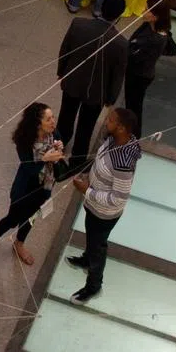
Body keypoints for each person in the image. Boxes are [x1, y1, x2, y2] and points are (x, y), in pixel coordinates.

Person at [65, 107, 142, 303]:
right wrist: (87, 177)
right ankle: (87, 258)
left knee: (98, 246)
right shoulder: (111, 140)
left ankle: (93, 285)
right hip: (94, 205)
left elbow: (118, 198)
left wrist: (87, 191)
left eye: (111, 119)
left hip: (104, 214)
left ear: (122, 128)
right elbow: (99, 162)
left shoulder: (124, 163)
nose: (106, 121)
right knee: (92, 238)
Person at [0, 103, 66, 266]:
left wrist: (60, 147)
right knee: (13, 217)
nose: (53, 122)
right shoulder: (24, 141)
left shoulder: (53, 132)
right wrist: (44, 159)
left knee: (31, 218)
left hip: (45, 186)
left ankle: (19, 243)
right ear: (37, 123)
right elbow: (29, 169)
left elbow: (60, 150)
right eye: (48, 119)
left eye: (53, 117)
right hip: (25, 187)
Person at [56, 0, 128, 155]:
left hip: (72, 81)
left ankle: (58, 149)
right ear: (119, 15)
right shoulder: (121, 44)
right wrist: (111, 97)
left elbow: (65, 50)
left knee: (65, 117)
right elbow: (118, 74)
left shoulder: (78, 25)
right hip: (97, 92)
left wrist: (62, 71)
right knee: (86, 127)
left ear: (101, 8)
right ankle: (77, 160)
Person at [125, 0, 176, 134]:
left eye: (147, 10)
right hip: (140, 72)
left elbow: (133, 55)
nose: (143, 11)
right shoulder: (151, 26)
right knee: (132, 104)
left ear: (155, 17)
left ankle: (133, 136)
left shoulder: (154, 40)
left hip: (139, 76)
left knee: (134, 107)